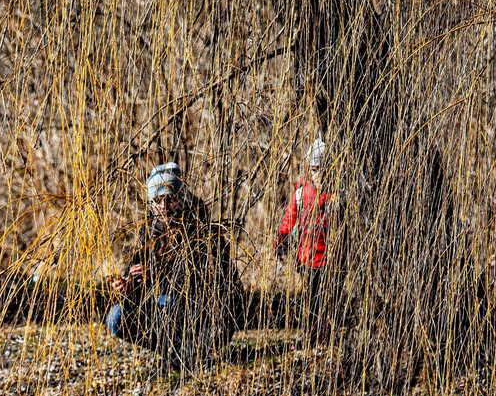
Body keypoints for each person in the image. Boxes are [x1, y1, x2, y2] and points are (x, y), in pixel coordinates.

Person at [106, 162, 242, 369]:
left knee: (171, 300)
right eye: (157, 201)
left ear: (182, 198)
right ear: (150, 204)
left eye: (170, 199)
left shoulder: (203, 231)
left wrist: (157, 276)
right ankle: (173, 352)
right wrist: (128, 287)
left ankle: (192, 350)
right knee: (116, 318)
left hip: (207, 314)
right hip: (170, 306)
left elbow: (203, 285)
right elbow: (138, 278)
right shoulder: (148, 233)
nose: (164, 207)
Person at [275, 137, 333, 320]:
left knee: (325, 299)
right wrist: (280, 240)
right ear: (310, 170)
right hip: (307, 259)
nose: (319, 175)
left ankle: (320, 333)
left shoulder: (334, 197)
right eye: (315, 170)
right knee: (313, 298)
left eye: (322, 170)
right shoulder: (301, 194)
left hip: (329, 259)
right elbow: (289, 219)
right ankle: (311, 332)